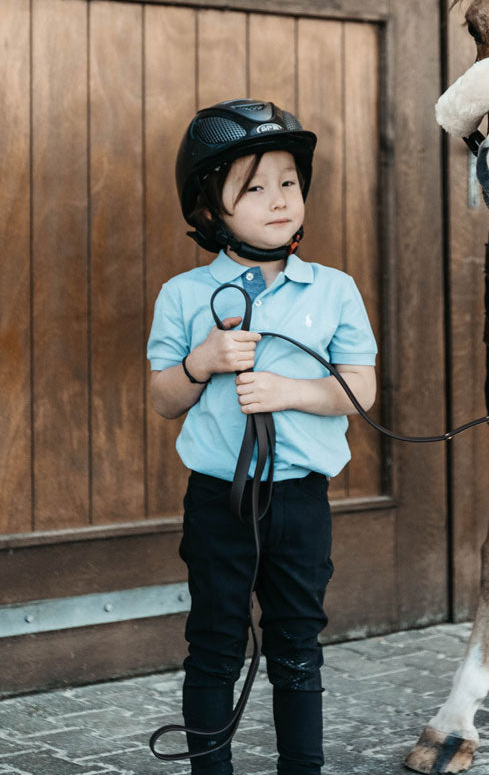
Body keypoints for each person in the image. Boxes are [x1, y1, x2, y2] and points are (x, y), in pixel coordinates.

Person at [148, 99, 378, 775]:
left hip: (301, 501)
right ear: (208, 209)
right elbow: (163, 400)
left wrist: (294, 394)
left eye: (288, 182)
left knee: (298, 646)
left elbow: (361, 389)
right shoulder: (185, 296)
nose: (278, 199)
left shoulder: (333, 291)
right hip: (219, 500)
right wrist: (203, 362)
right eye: (253, 187)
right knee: (215, 642)